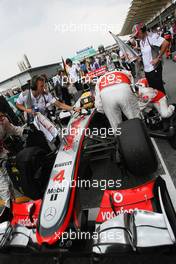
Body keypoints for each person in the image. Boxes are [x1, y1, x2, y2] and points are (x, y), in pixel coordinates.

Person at [0, 109, 24, 222]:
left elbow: (13, 129)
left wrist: (24, 130)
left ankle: (13, 210)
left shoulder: (2, 120)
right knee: (4, 186)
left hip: (3, 155)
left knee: (10, 182)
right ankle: (9, 216)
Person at [132, 23, 169, 94]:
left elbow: (166, 43)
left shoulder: (152, 37)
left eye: (137, 34)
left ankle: (164, 102)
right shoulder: (141, 42)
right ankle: (159, 102)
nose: (136, 36)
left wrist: (158, 57)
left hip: (154, 68)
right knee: (153, 89)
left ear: (142, 31)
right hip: (147, 70)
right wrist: (140, 58)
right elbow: (145, 52)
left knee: (159, 89)